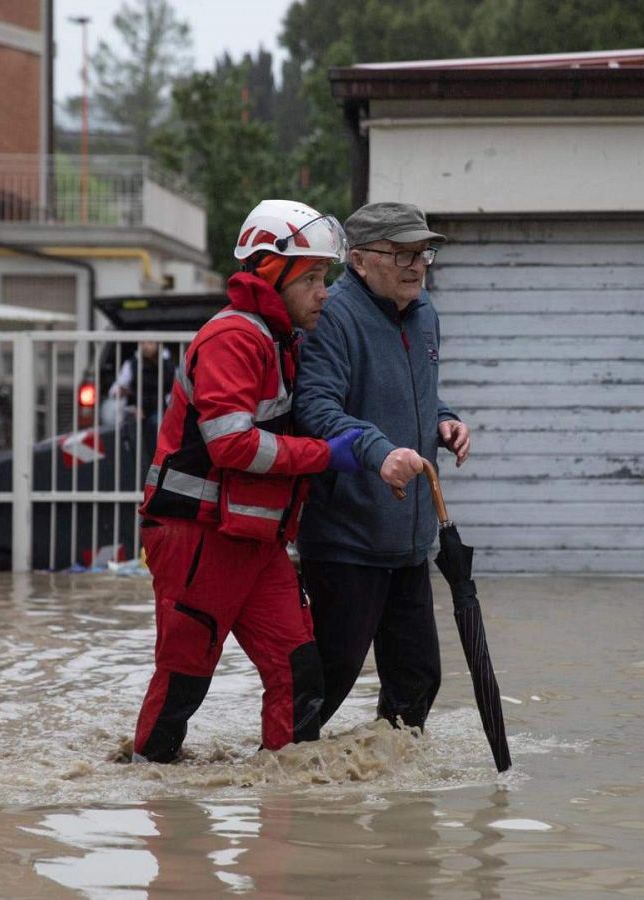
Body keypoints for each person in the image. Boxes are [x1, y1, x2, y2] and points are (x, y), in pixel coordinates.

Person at [131, 199, 370, 763]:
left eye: (326, 278)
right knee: (184, 680)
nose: (324, 293)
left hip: (253, 541)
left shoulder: (278, 339)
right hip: (199, 536)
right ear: (270, 271)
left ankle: (287, 811)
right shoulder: (234, 339)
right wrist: (325, 456)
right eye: (312, 277)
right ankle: (156, 809)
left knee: (301, 675)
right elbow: (231, 445)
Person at [295, 201, 471, 730]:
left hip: (410, 539)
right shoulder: (333, 316)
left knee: (418, 679)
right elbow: (316, 410)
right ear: (361, 259)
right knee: (329, 680)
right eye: (401, 254)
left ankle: (395, 797)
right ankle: (276, 785)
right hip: (347, 537)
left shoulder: (424, 314)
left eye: (423, 253)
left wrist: (445, 419)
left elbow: (415, 397)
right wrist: (378, 450)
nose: (416, 265)